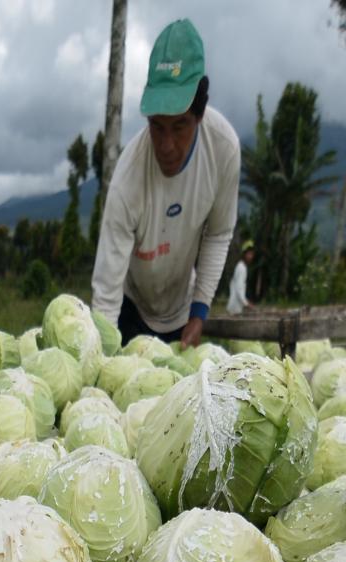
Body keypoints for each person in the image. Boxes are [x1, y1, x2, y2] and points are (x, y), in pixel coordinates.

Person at [91, 18, 240, 350]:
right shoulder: (128, 179)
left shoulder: (223, 149)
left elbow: (218, 233)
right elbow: (106, 291)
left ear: (199, 114)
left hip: (182, 311)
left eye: (180, 126)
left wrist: (200, 311)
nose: (167, 144)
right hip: (130, 308)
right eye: (157, 126)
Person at [226, 240, 254, 315]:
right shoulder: (241, 268)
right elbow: (239, 289)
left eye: (252, 254)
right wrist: (246, 303)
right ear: (244, 254)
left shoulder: (242, 267)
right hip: (235, 307)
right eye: (249, 254)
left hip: (237, 306)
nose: (251, 256)